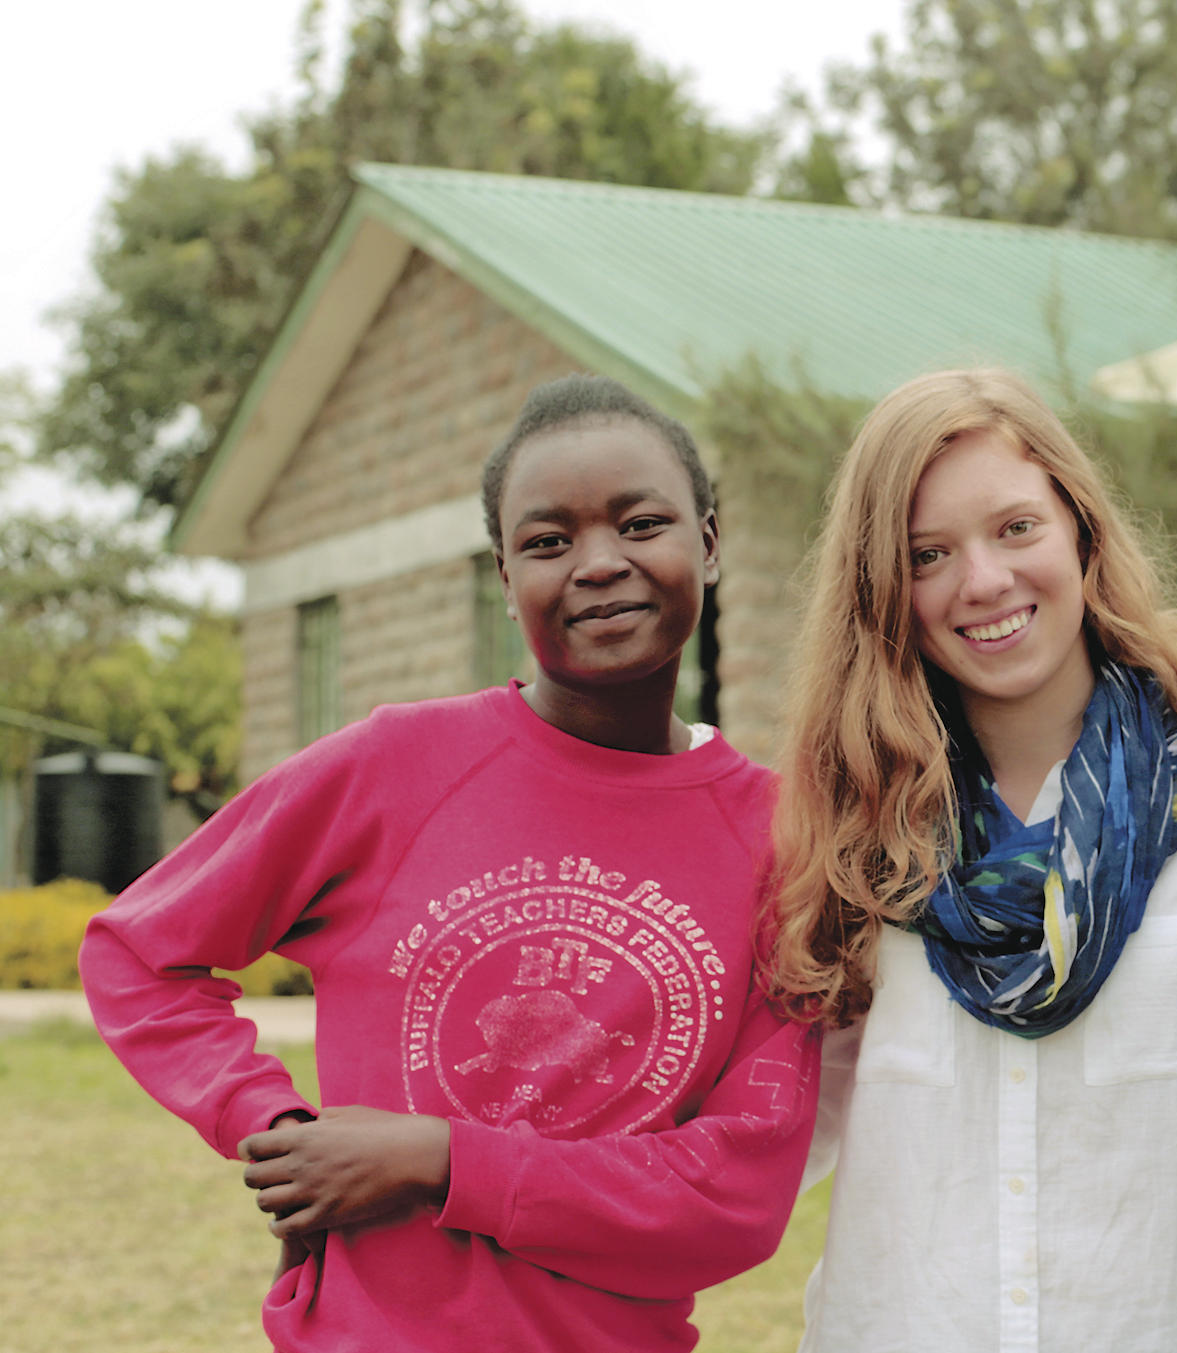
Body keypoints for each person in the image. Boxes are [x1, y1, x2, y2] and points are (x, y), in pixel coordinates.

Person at [80, 374, 819, 1353]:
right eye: (548, 542)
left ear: (710, 544)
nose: (600, 563)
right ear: (505, 581)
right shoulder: (395, 767)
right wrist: (275, 1125)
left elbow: (731, 1202)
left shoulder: (781, 842)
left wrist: (439, 1159)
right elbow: (136, 952)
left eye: (641, 524)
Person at [764, 367, 1177, 1351]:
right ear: (883, 590)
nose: (981, 581)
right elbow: (770, 1137)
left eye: (1016, 528)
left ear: (1081, 532)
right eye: (927, 554)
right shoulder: (850, 814)